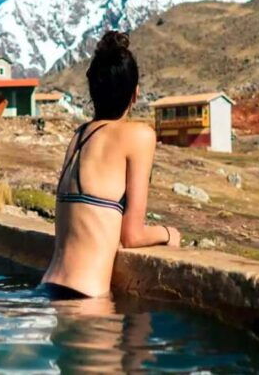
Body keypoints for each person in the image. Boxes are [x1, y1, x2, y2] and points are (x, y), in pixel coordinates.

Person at [40, 30, 181, 299]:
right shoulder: (139, 136)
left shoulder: (79, 137)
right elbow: (132, 235)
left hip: (48, 290)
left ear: (93, 91)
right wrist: (168, 233)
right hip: (86, 301)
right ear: (135, 93)